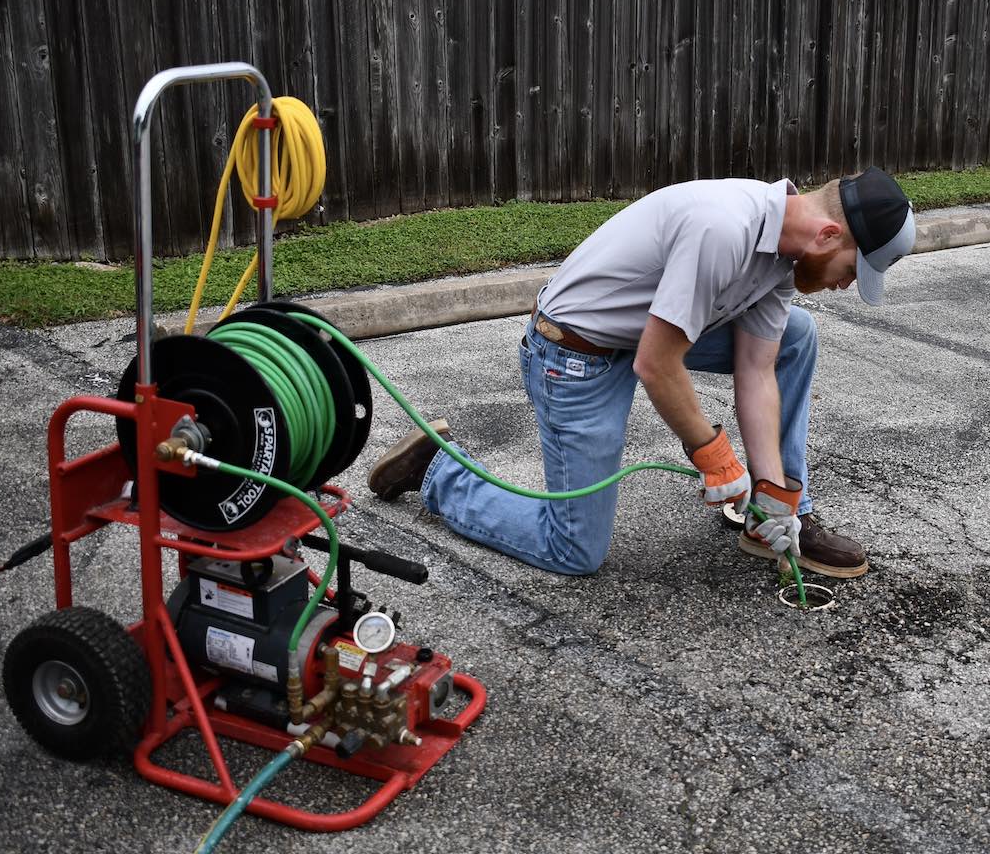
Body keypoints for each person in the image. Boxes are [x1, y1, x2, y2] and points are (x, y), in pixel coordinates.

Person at [367, 167, 916, 579]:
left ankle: (776, 512)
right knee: (574, 551)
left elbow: (756, 370)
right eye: (852, 269)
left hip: (640, 338)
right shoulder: (724, 227)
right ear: (825, 236)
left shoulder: (780, 258)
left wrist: (769, 488)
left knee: (794, 335)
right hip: (574, 355)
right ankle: (436, 470)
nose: (846, 285)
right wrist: (713, 455)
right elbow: (658, 364)